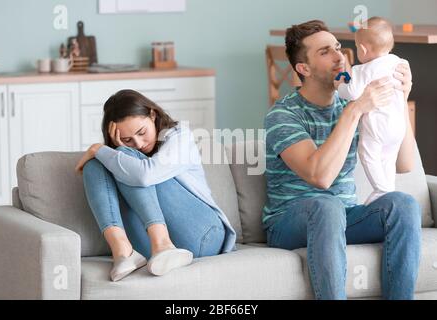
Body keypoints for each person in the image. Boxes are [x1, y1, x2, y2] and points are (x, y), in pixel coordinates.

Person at [263, 20, 420, 299]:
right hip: (288, 223)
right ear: (304, 68)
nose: (339, 56)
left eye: (338, 46)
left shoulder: (354, 101)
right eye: (325, 52)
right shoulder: (283, 115)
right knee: (327, 206)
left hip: (345, 216)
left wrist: (400, 99)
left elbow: (404, 164)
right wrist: (356, 110)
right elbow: (320, 177)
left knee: (403, 204)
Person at [75, 89, 236, 282]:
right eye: (127, 140)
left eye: (141, 132)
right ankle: (123, 252)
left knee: (128, 161)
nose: (139, 143)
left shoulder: (180, 136)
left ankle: (163, 245)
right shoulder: (125, 154)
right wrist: (110, 152)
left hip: (203, 235)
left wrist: (100, 149)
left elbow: (145, 174)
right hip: (148, 246)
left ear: (152, 114)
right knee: (94, 165)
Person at [335, 17, 409, 204]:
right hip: (398, 126)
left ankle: (381, 190)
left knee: (368, 153)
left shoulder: (362, 70)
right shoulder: (399, 63)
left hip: (378, 128)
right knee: (388, 160)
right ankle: (389, 192)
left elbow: (351, 92)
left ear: (363, 49)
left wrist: (340, 83)